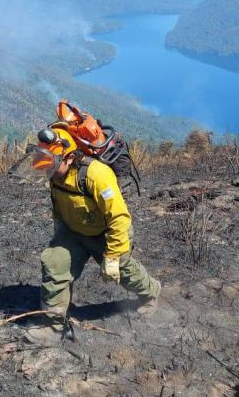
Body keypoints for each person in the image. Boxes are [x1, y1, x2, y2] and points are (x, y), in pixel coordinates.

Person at [25, 127, 161, 344]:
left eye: (51, 161)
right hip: (74, 229)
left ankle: (151, 293)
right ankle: (54, 326)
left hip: (107, 232)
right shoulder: (56, 173)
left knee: (123, 271)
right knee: (54, 264)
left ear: (70, 158)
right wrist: (59, 236)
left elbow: (119, 218)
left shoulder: (96, 174)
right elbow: (59, 206)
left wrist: (113, 257)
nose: (46, 167)